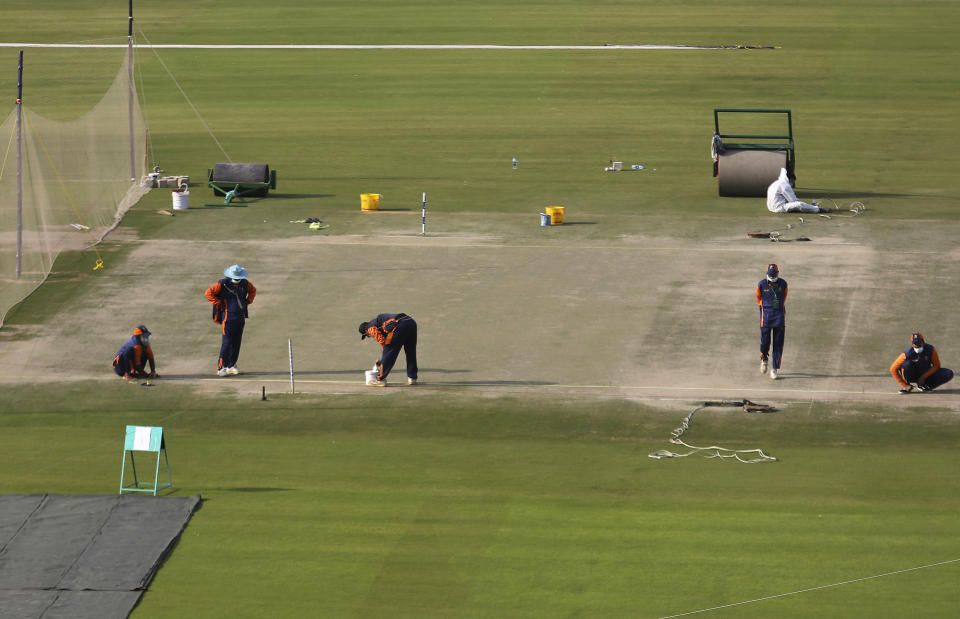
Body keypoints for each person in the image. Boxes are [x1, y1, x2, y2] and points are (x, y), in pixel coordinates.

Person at [205, 264, 257, 377]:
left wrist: (248, 301)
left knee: (236, 342)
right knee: (227, 342)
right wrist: (218, 303)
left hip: (240, 317)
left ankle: (231, 365)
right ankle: (221, 367)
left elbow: (253, 291)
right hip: (228, 318)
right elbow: (208, 293)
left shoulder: (245, 283)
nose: (237, 280)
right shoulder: (222, 284)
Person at [358, 313, 418, 386]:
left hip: (399, 326)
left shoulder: (370, 328)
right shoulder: (378, 322)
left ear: (366, 331)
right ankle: (412, 377)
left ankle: (380, 379)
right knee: (410, 352)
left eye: (367, 335)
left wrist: (383, 359)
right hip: (411, 322)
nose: (369, 336)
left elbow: (386, 346)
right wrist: (383, 359)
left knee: (389, 350)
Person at [889, 333, 954, 394]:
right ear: (912, 345)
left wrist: (924, 376)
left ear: (923, 342)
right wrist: (904, 384)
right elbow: (893, 369)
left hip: (925, 373)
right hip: (912, 374)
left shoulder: (930, 350)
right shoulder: (907, 354)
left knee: (948, 373)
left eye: (919, 343)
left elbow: (936, 366)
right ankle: (907, 386)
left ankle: (924, 385)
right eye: (915, 344)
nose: (917, 346)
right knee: (906, 364)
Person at [756, 263, 787, 380]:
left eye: (774, 274)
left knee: (778, 344)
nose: (772, 276)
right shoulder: (761, 284)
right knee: (765, 342)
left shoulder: (783, 284)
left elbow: (784, 297)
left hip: (779, 317)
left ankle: (774, 369)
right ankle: (764, 359)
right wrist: (765, 306)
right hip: (766, 318)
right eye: (770, 274)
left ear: (777, 274)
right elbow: (758, 298)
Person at [766, 168, 830, 214]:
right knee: (800, 204)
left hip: (770, 207)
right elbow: (794, 201)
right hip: (779, 208)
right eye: (792, 182)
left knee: (796, 205)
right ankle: (818, 209)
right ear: (790, 179)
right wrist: (810, 207)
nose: (792, 184)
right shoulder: (785, 185)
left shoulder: (777, 182)